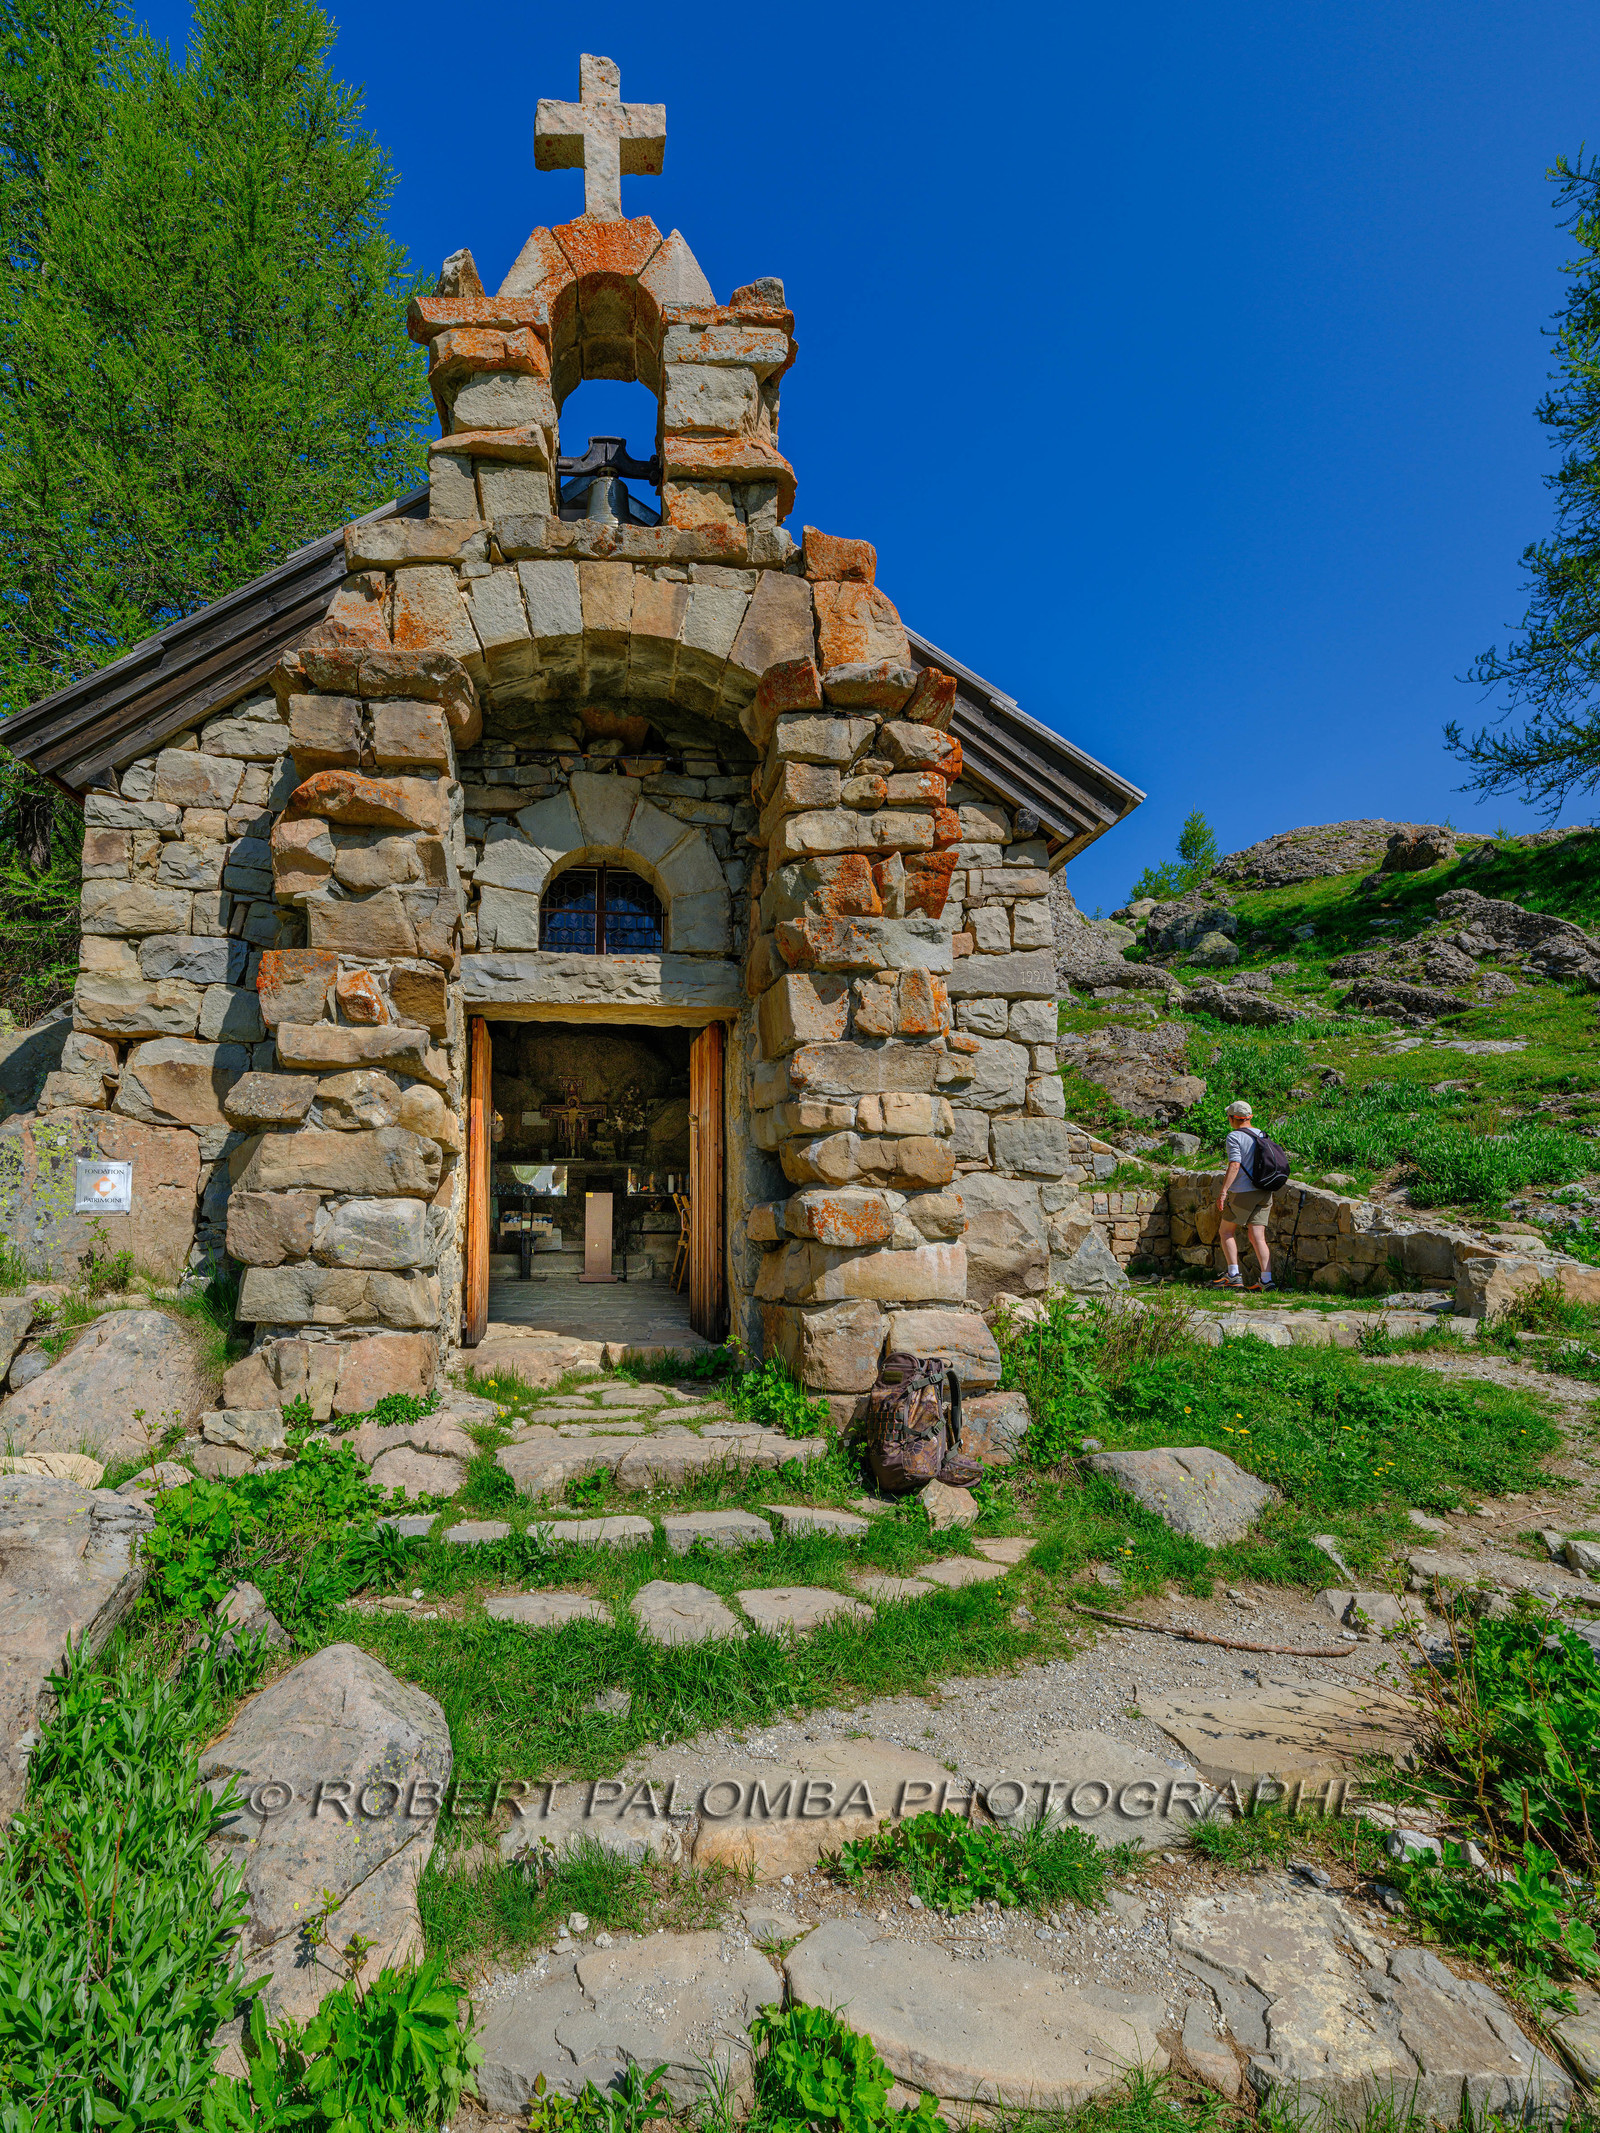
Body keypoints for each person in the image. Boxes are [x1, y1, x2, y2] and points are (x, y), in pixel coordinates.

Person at [1213, 1099, 1275, 1291]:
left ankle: (1233, 1275)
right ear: (1250, 1117)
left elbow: (1235, 1164)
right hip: (1264, 1190)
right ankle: (1266, 1280)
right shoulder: (1262, 1134)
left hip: (1243, 1192)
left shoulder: (1234, 1136)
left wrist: (1223, 1191)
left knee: (1226, 1231)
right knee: (1258, 1236)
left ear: (1232, 1118)